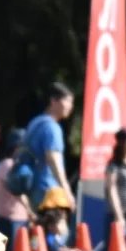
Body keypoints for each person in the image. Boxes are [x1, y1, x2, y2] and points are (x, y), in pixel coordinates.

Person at [24, 82, 75, 212]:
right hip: (49, 191)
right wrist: (66, 190)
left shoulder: (35, 123)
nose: (70, 107)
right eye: (67, 102)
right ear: (53, 101)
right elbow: (54, 160)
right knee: (56, 230)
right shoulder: (52, 127)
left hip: (33, 188)